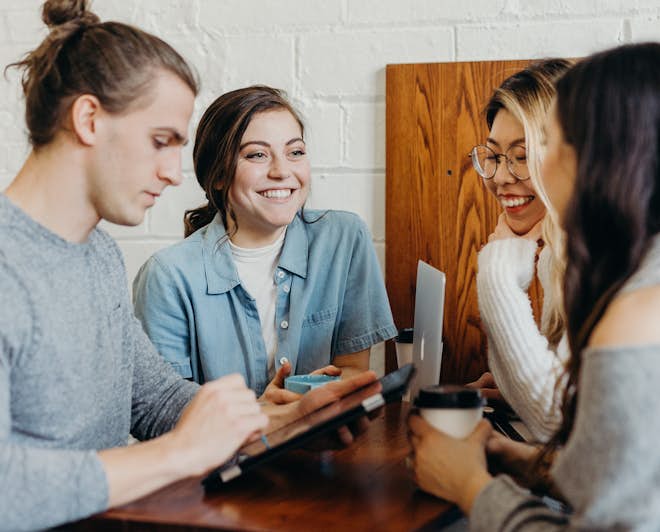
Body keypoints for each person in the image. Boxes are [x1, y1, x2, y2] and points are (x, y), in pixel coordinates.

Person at [0, 2, 377, 530]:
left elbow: (153, 399)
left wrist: (270, 419)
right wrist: (183, 452)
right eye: (160, 142)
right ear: (88, 120)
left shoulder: (98, 255)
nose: (175, 174)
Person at [409, 42, 660, 529]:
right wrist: (529, 464)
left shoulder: (635, 312)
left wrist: (470, 486)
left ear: (602, 158)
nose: (509, 176)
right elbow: (621, 473)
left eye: (548, 146)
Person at [133, 85, 397, 403]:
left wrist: (310, 398)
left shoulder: (343, 239)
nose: (282, 171)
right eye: (257, 155)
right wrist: (264, 415)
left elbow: (353, 370)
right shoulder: (167, 276)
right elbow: (166, 410)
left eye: (295, 152)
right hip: (225, 452)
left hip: (323, 445)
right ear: (217, 175)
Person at [467, 59, 573, 441]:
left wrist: (497, 272)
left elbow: (556, 422)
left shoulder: (605, 259)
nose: (499, 177)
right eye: (493, 156)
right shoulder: (558, 254)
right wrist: (513, 389)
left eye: (523, 156)